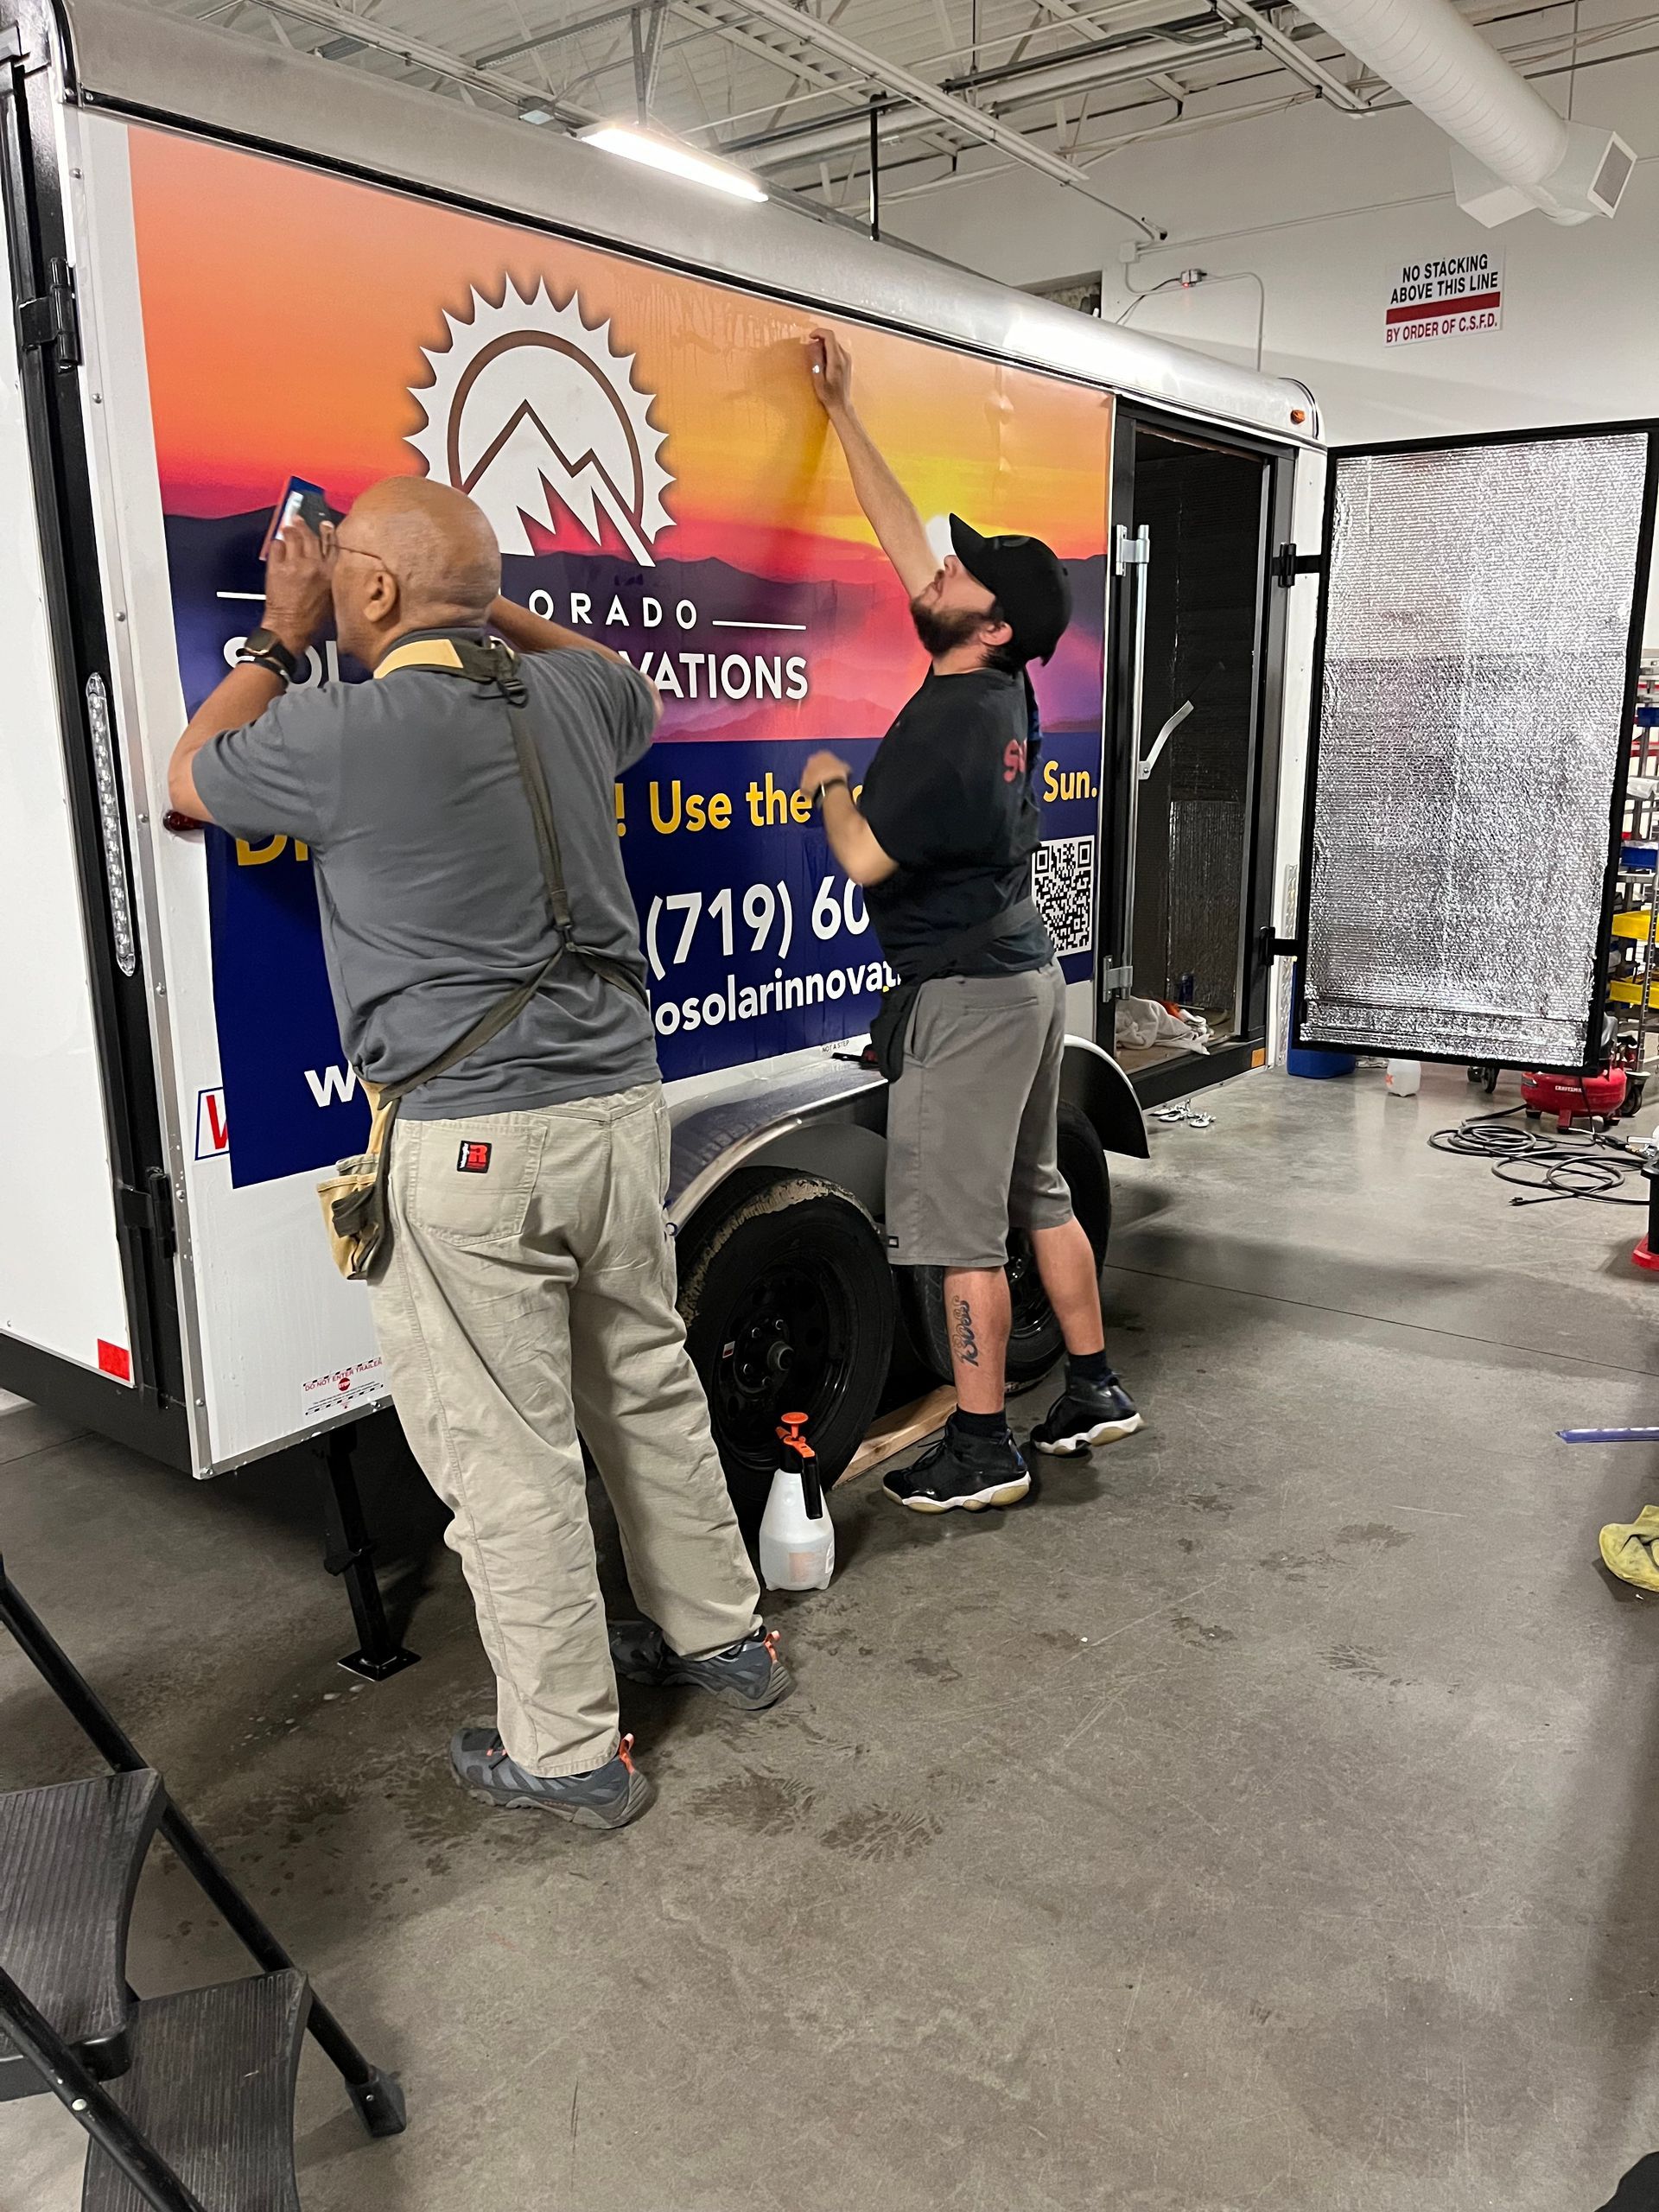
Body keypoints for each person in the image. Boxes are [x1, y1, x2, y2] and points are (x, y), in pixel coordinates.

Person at [168, 476, 789, 1830]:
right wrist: (467, 595)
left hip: (468, 1147)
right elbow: (621, 673)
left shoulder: (343, 727)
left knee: (506, 1457)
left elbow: (187, 774)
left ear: (370, 593)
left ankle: (569, 1754)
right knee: (644, 1381)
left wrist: (281, 632)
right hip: (622, 1112)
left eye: (351, 580)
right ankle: (724, 1638)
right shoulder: (573, 703)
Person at [796, 329, 1141, 1516]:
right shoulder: (997, 679)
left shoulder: (946, 728)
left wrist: (830, 780)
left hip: (965, 995)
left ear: (989, 622)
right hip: (1023, 973)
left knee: (956, 1235)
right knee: (1035, 1188)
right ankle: (1092, 1385)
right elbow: (911, 545)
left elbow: (858, 856)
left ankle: (984, 1443)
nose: (938, 572)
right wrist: (843, 415)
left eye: (963, 575)